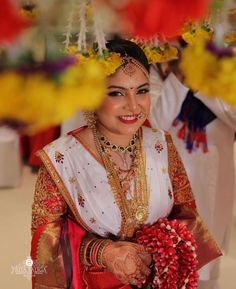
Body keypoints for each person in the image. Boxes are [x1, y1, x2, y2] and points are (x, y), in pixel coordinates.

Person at [31, 39, 221, 289]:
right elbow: (45, 244)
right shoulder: (62, 159)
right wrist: (102, 252)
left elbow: (187, 217)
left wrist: (164, 245)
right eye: (117, 93)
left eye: (142, 90)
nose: (133, 105)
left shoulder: (160, 145)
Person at [149, 61, 236, 289]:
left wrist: (199, 85)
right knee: (168, 257)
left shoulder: (225, 67)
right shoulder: (159, 66)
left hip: (215, 176)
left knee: (208, 259)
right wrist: (179, 79)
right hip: (169, 175)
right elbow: (156, 121)